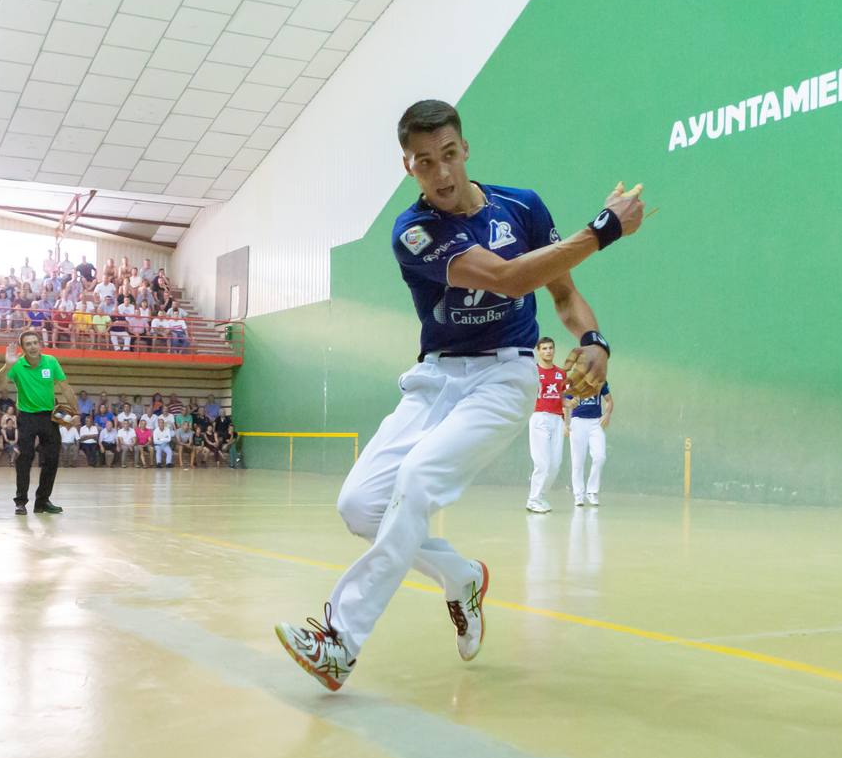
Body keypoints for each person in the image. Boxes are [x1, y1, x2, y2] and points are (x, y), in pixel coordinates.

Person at [273, 99, 644, 691]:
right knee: (359, 506)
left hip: (504, 377)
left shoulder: (521, 207)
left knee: (418, 479)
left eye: (448, 155)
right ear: (409, 167)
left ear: (465, 149)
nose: (441, 173)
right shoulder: (413, 232)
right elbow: (507, 278)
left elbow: (563, 295)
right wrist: (604, 230)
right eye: (425, 163)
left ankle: (340, 639)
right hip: (437, 379)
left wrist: (595, 340)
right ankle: (462, 577)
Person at [0, 329, 74, 514]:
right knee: (25, 458)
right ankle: (20, 501)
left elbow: (66, 388)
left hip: (49, 416)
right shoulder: (17, 365)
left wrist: (75, 413)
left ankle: (42, 502)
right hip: (27, 417)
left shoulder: (51, 361)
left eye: (35, 342)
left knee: (52, 459)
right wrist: (7, 366)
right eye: (28, 344)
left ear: (40, 344)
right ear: (23, 348)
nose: (33, 346)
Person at [526, 335, 569, 513]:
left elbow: (565, 400)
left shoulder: (561, 373)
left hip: (557, 419)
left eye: (550, 348)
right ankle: (533, 499)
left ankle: (540, 495)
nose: (548, 351)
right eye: (544, 348)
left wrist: (567, 421)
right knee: (542, 463)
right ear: (538, 351)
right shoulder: (533, 372)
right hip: (539, 417)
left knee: (555, 464)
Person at [565, 379, 613, 506]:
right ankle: (578, 495)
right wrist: (566, 423)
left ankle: (592, 491)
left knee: (600, 457)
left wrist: (607, 414)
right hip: (577, 422)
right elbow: (566, 403)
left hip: (596, 423)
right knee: (577, 461)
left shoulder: (601, 380)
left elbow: (609, 400)